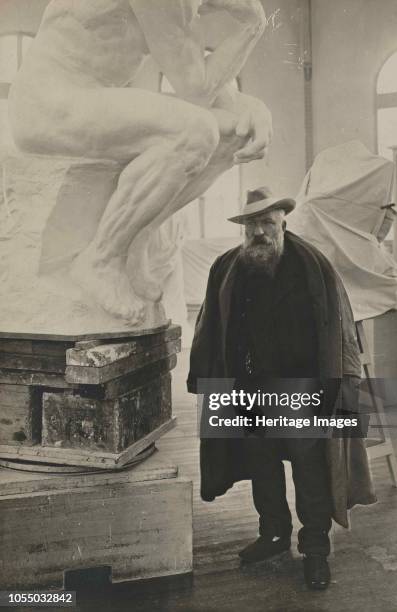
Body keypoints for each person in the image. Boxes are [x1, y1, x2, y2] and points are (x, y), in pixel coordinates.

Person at [8, 0, 272, 325]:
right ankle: (102, 258)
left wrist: (250, 108)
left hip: (85, 100)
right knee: (197, 131)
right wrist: (252, 24)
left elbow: (204, 76)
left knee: (234, 134)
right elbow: (197, 87)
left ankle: (136, 239)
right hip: (48, 103)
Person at [187, 186, 376, 590]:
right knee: (261, 465)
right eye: (252, 224)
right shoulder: (226, 268)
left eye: (267, 223)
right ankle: (273, 534)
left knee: (310, 473)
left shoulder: (313, 266)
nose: (259, 232)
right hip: (248, 391)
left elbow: (342, 331)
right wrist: (204, 379)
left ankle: (315, 549)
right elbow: (209, 326)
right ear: (244, 228)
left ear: (282, 223)